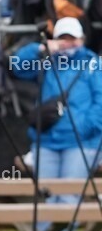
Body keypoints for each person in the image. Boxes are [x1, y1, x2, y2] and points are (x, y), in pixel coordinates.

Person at [10, 17, 102, 207]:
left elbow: (100, 100)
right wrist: (40, 49)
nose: (67, 43)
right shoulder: (46, 62)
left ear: (82, 39)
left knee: (69, 197)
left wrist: (85, 128)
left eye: (72, 38)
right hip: (46, 140)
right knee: (46, 197)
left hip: (81, 142)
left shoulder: (93, 63)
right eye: (63, 38)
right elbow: (16, 66)